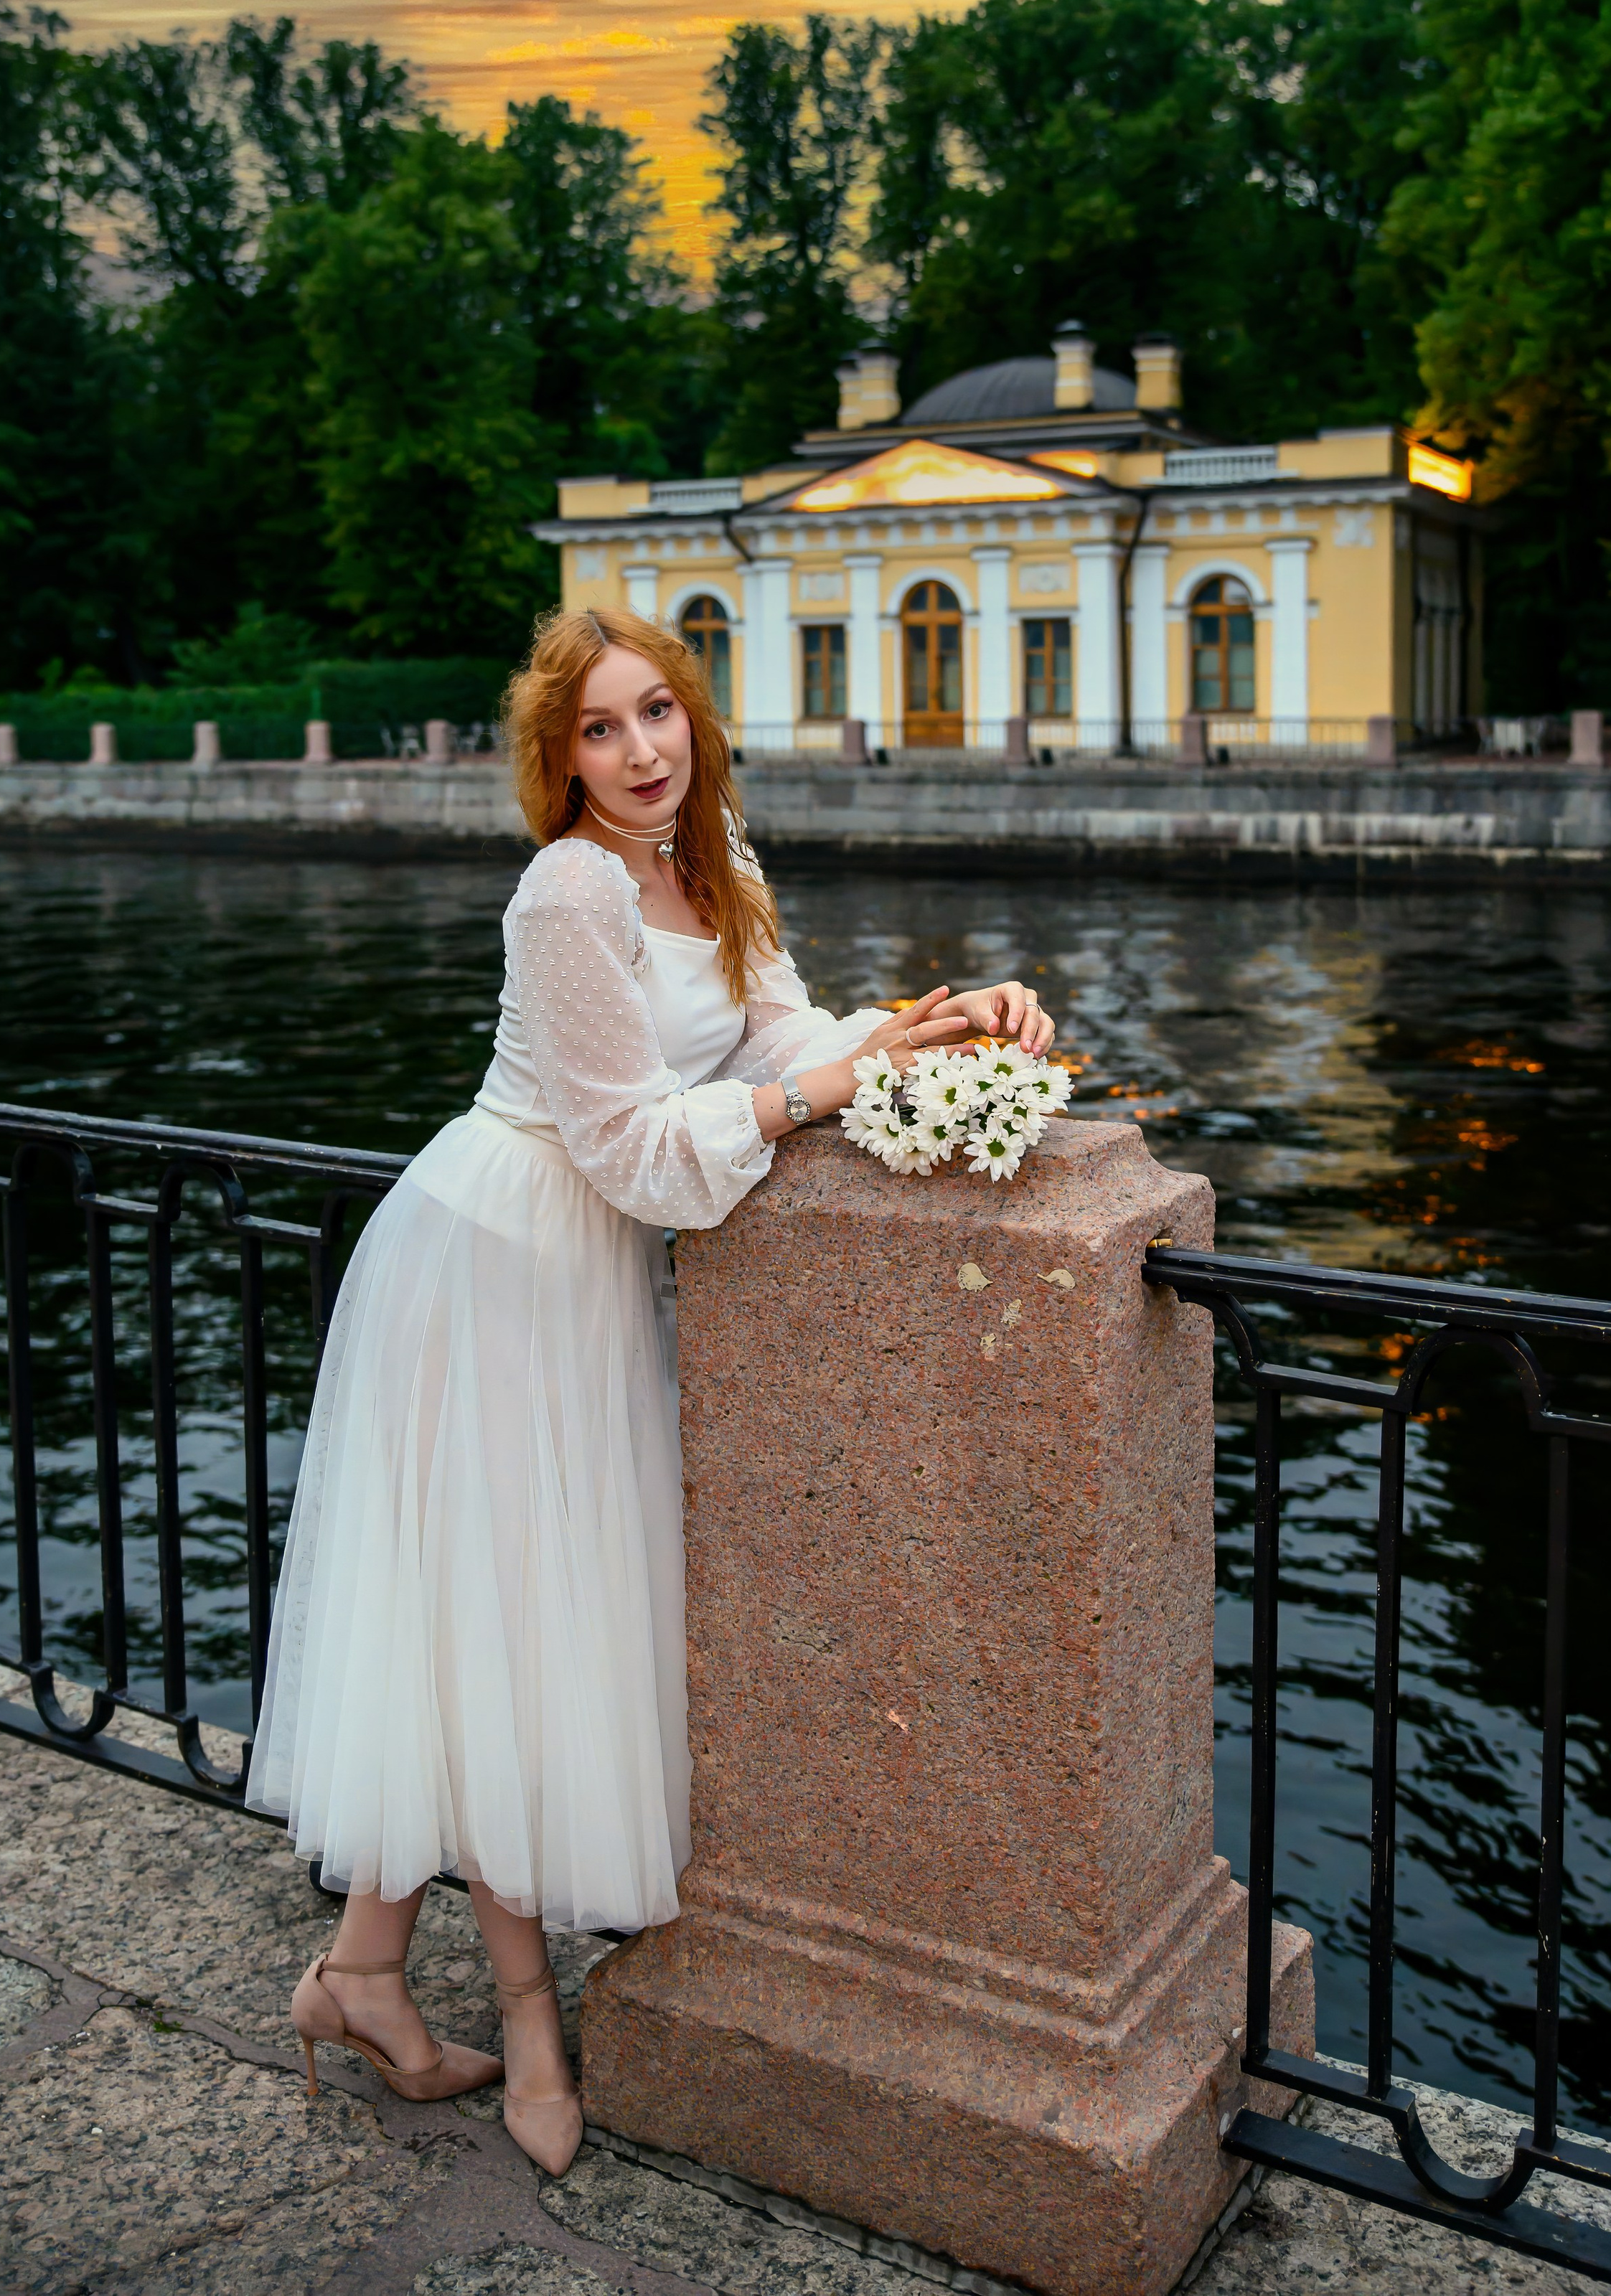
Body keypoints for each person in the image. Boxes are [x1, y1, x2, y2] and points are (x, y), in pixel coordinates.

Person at [248, 606, 1054, 2177]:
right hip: (489, 1261)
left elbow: (785, 1032)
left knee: (488, 1644)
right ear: (558, 763)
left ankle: (359, 1975)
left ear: (695, 718)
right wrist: (814, 1089)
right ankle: (532, 2023)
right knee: (504, 1642)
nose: (637, 753)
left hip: (582, 1284)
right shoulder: (566, 891)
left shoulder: (720, 855)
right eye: (598, 732)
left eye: (655, 715)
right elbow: (628, 1146)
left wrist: (944, 1016)